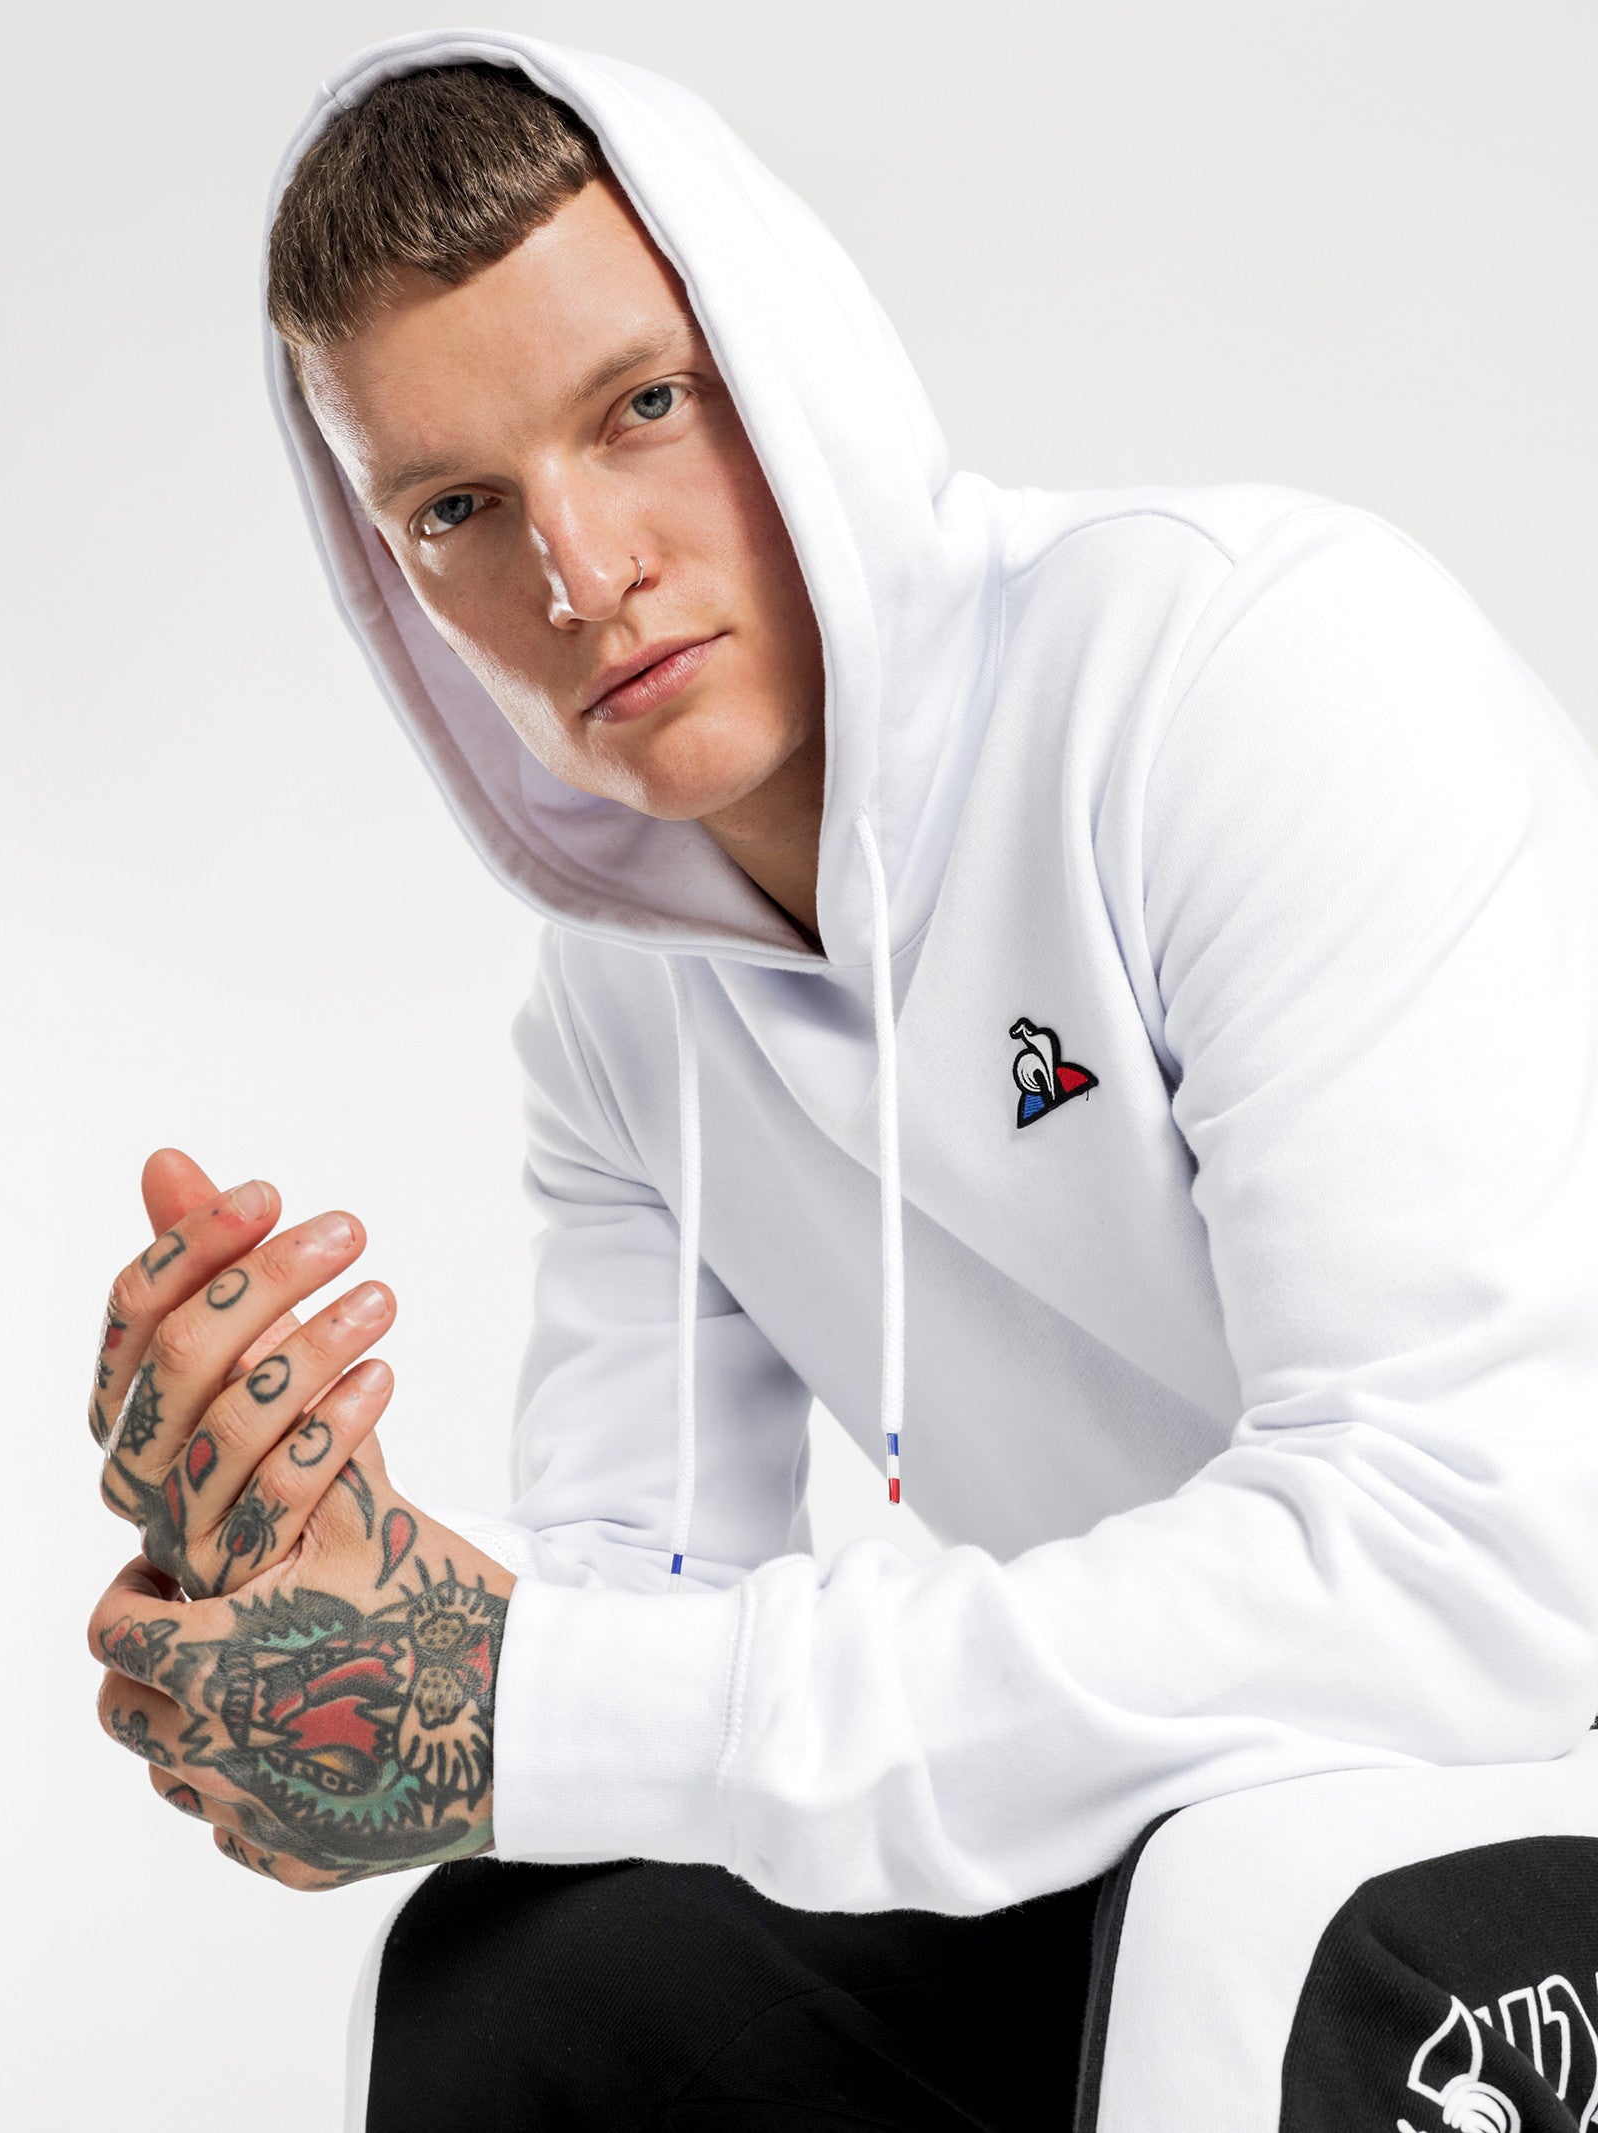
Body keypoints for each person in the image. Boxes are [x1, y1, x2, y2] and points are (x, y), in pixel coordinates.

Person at [86, 32, 1598, 2132]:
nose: (579, 572)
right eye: (457, 509)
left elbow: (1470, 1572)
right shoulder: (619, 1011)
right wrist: (342, 1602)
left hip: (1522, 1747)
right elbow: (642, 1626)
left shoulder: (1250, 683)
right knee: (534, 1962)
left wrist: (538, 1697)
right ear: (390, 582)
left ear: (782, 352)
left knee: (1260, 1900)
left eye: (641, 406)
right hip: (1192, 1796)